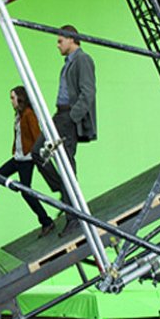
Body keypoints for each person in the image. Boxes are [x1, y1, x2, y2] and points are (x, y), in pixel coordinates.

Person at [32, 24, 97, 237]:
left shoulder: (82, 60)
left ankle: (74, 218)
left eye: (60, 41)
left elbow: (88, 92)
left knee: (67, 163)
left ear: (71, 39)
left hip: (68, 116)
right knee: (37, 152)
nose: (57, 45)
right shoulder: (68, 63)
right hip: (60, 115)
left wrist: (72, 117)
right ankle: (65, 191)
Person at [0, 86, 55, 238]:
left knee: (26, 192)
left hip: (26, 160)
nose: (11, 101)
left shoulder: (28, 115)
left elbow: (37, 136)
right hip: (18, 157)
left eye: (12, 98)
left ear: (20, 98)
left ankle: (46, 222)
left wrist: (40, 154)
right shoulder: (19, 115)